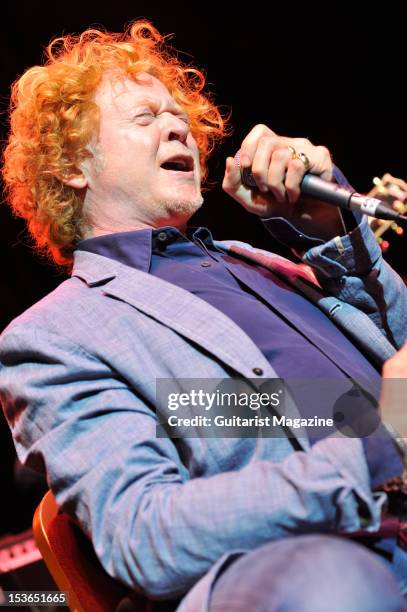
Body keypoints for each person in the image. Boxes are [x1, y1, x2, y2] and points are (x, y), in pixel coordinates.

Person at [0, 20, 407, 612]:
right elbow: (146, 535)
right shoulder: (57, 334)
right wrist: (383, 443)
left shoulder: (267, 261)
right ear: (71, 166)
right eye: (145, 118)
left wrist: (331, 231)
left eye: (179, 115)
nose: (178, 127)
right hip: (319, 569)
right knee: (333, 582)